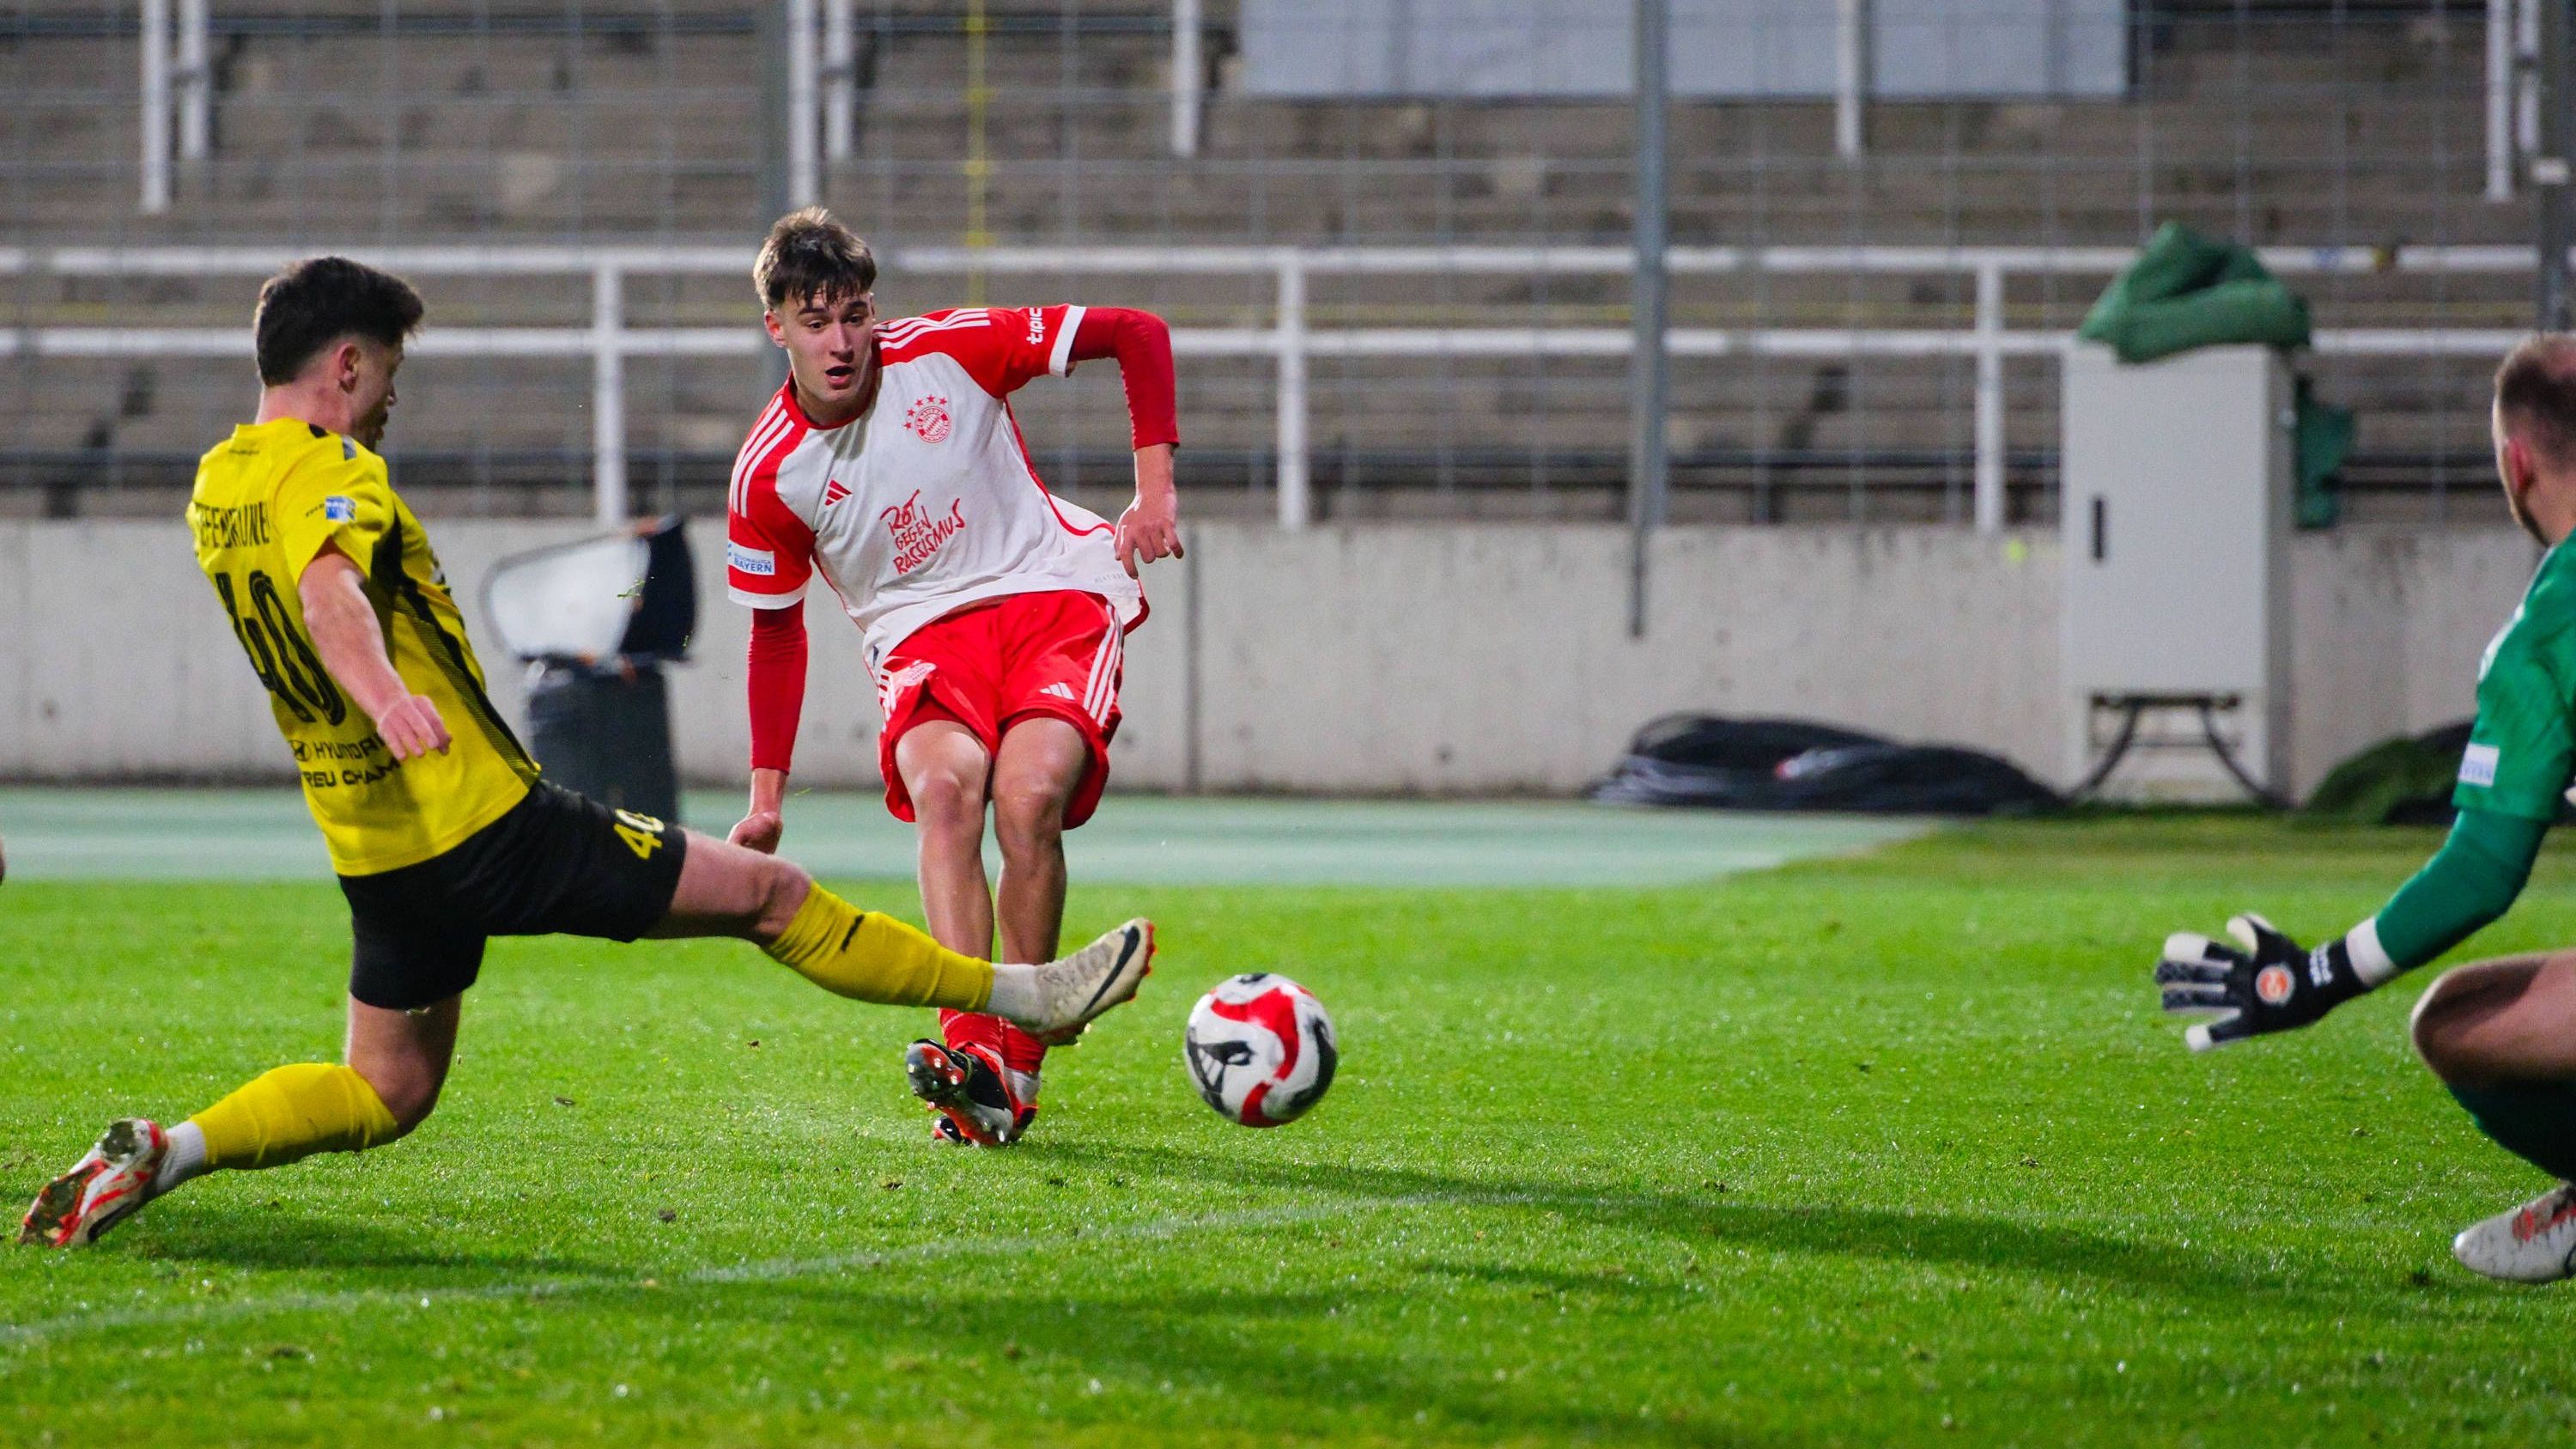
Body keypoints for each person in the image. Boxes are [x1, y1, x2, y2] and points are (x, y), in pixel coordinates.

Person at [19, 257, 1153, 1250]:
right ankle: (1024, 991)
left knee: (386, 1090)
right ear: (349, 366)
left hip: (374, 851)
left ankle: (166, 1149)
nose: (394, 395)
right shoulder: (335, 469)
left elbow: (297, 576)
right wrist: (387, 694)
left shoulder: (219, 483)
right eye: (392, 371)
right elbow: (330, 593)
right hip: (487, 820)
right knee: (771, 894)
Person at [723, 209, 1182, 1147]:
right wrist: (768, 796)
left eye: (854, 315)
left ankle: (1019, 1058)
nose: (842, 341)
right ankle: (974, 1053)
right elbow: (776, 637)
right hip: (924, 637)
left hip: (1051, 594)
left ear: (874, 312)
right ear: (777, 327)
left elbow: (1137, 333)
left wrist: (1155, 490)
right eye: (816, 323)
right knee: (944, 793)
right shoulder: (770, 477)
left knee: (1027, 801)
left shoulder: (955, 348)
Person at [2159, 332, 2576, 1283]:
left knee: (2457, 1021)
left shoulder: (2549, 634)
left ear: (2516, 464)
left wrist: (2313, 979)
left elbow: (2483, 869)